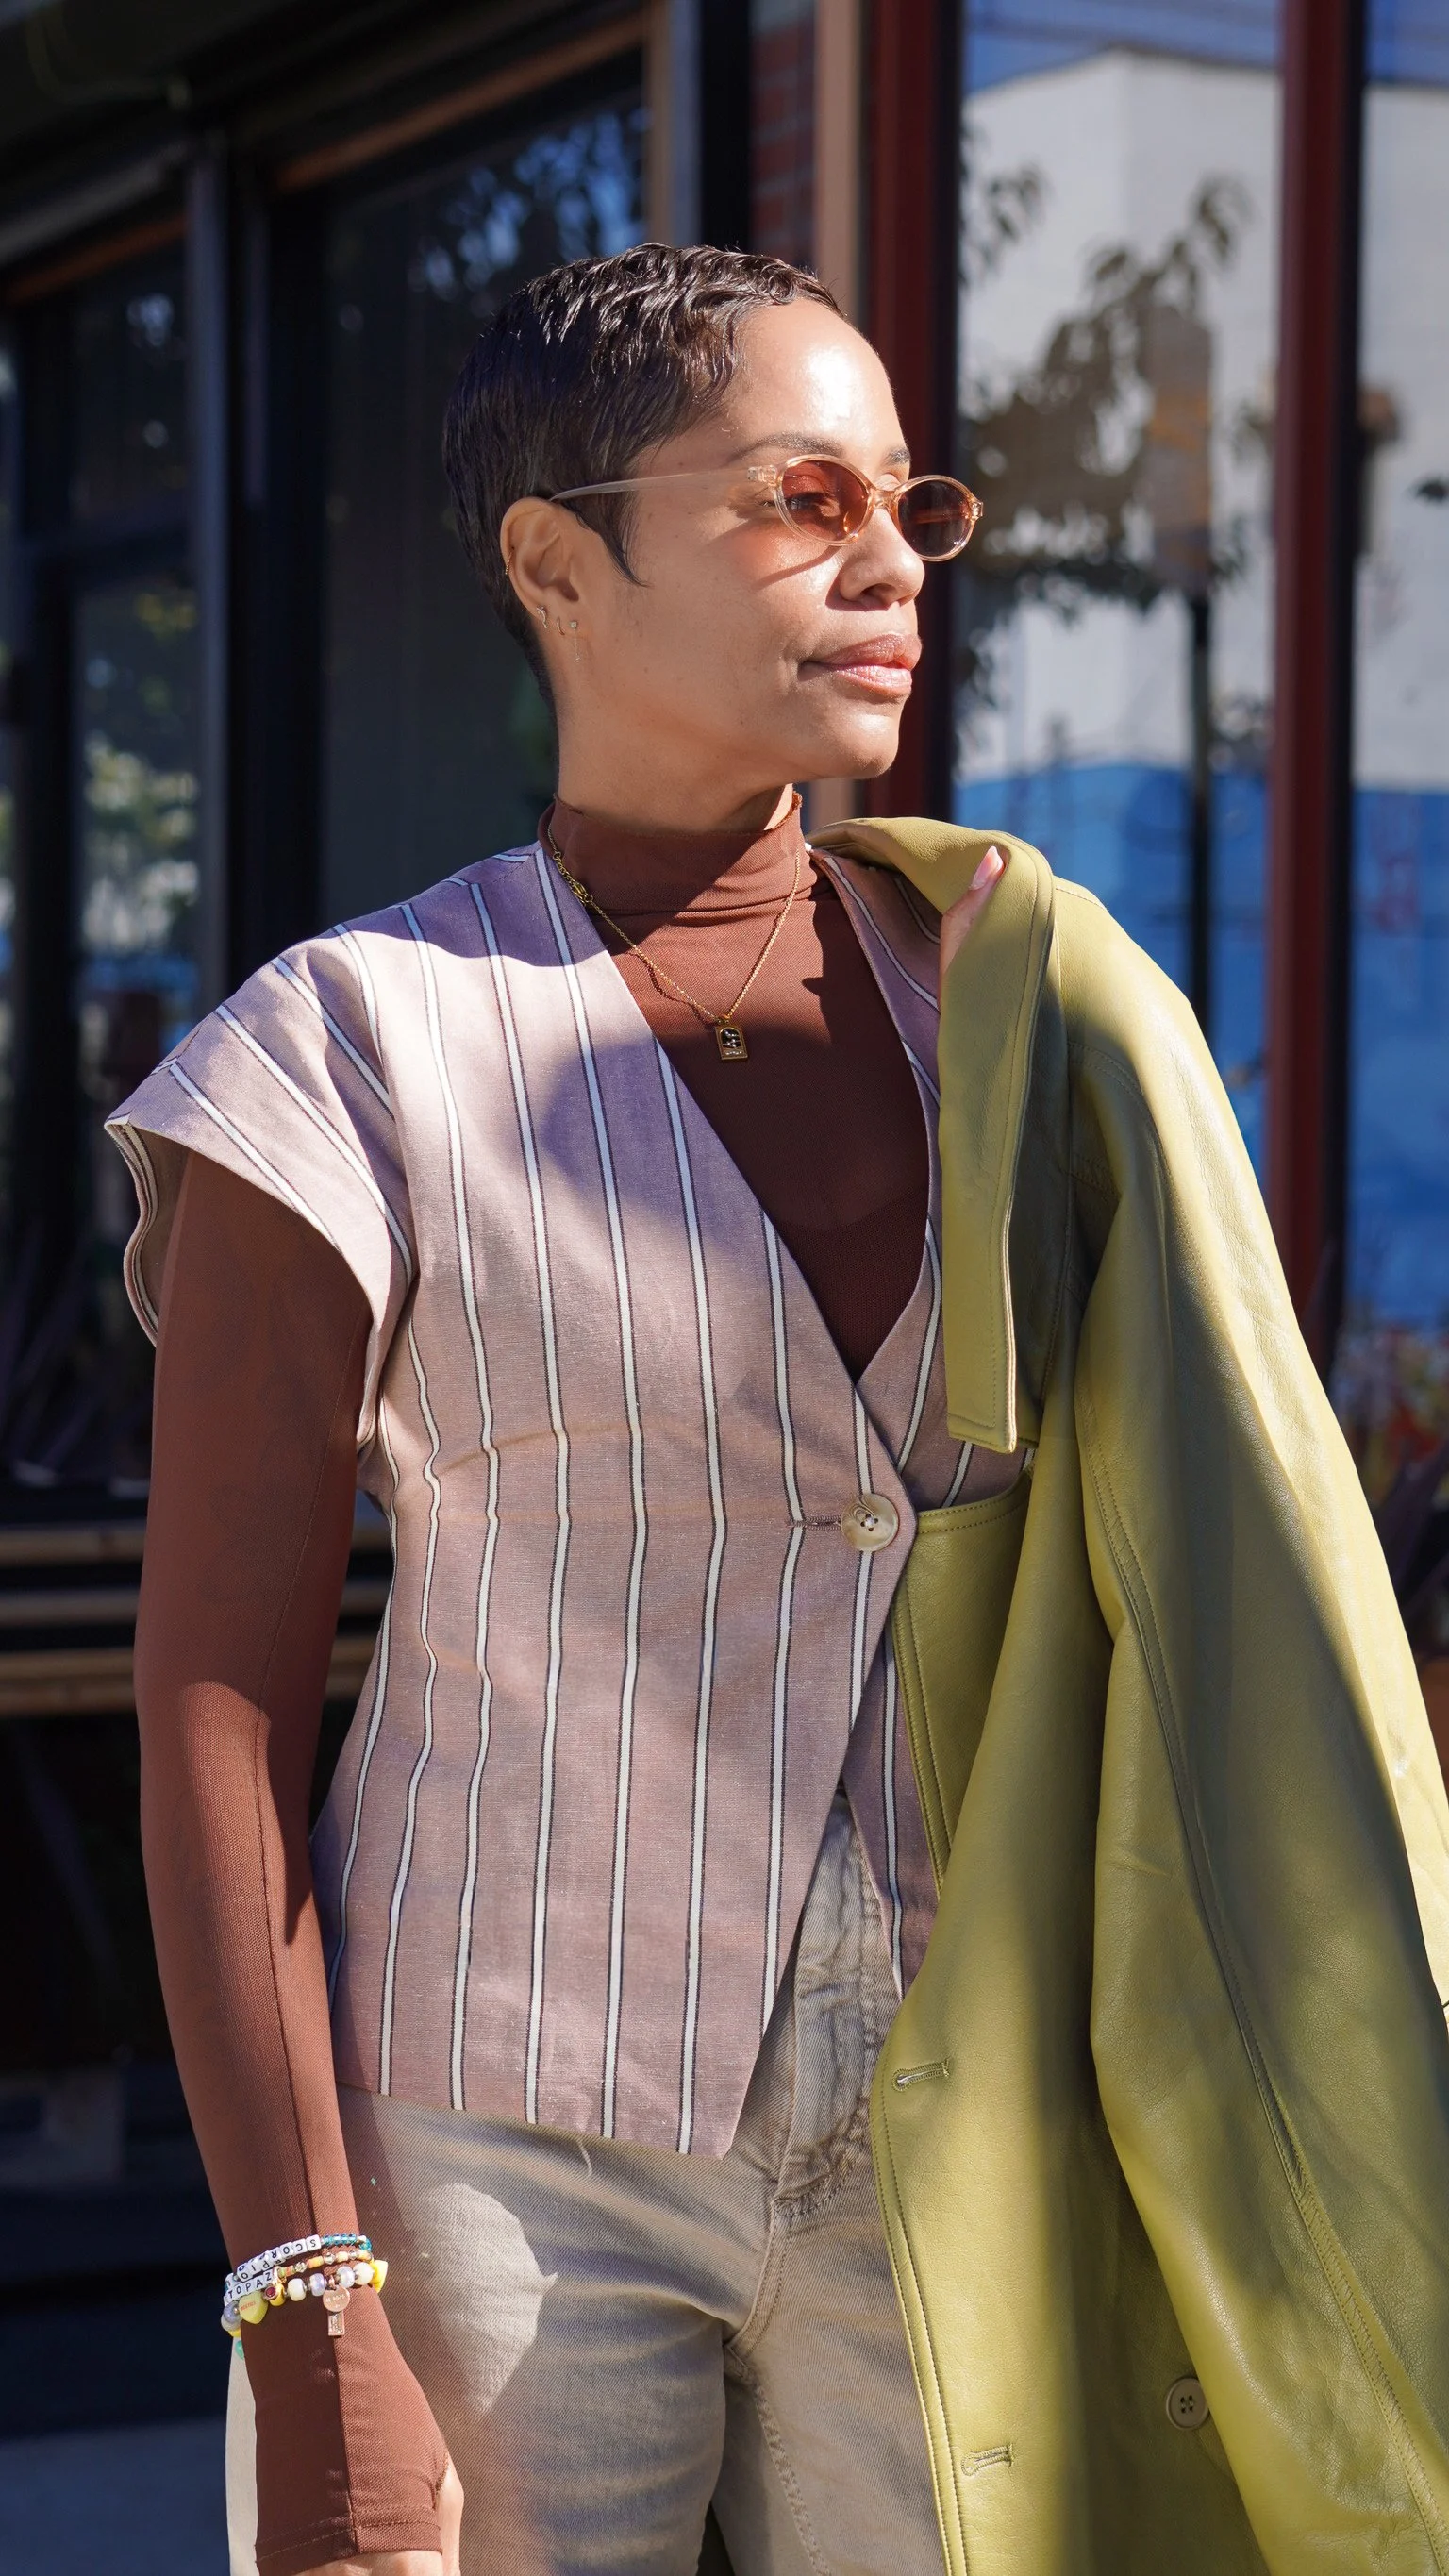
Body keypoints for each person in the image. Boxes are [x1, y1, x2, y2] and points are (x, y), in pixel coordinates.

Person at [112, 244, 1449, 2576]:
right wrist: (308, 2305)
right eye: (795, 500)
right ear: (558, 562)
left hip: (968, 2148)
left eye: (910, 505)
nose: (892, 564)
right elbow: (215, 1709)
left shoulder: (1026, 1023)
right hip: (494, 2152)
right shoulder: (348, 1053)